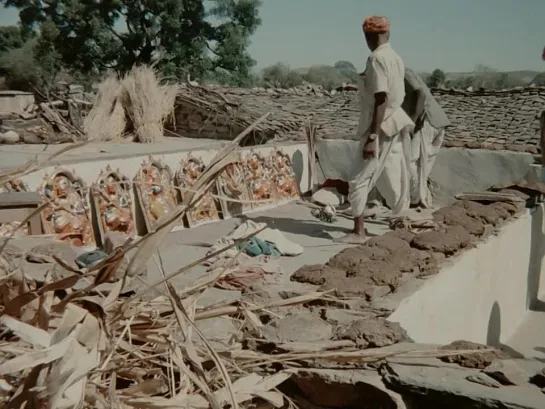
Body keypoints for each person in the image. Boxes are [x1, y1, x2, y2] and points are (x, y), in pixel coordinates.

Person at [335, 15, 414, 244]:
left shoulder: (377, 58)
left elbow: (381, 98)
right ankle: (402, 221)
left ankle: (358, 231)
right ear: (387, 34)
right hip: (394, 123)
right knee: (394, 175)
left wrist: (372, 135)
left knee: (359, 178)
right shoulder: (396, 58)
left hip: (380, 126)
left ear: (369, 36)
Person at [402, 67, 451, 208]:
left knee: (411, 160)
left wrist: (412, 121)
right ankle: (420, 197)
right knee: (422, 165)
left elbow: (421, 94)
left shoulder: (402, 72)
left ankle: (416, 199)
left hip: (427, 120)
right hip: (437, 121)